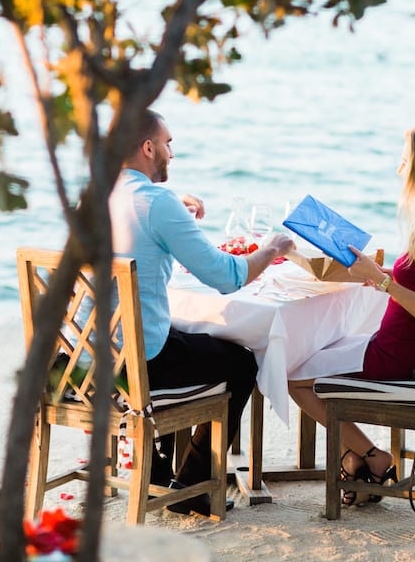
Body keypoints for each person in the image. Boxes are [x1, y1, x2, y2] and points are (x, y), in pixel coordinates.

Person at [288, 122, 415, 506]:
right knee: (315, 355)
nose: (400, 170)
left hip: (401, 354)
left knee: (292, 376)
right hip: (414, 346)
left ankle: (371, 456)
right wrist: (373, 275)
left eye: (405, 161)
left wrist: (380, 281)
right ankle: (357, 459)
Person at [111, 109, 295, 516]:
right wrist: (271, 249)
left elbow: (136, 216)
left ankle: (159, 474)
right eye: (167, 143)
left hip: (89, 361)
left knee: (186, 336)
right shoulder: (156, 203)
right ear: (148, 147)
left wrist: (172, 206)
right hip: (139, 367)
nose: (171, 153)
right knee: (241, 363)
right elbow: (226, 277)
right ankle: (193, 486)